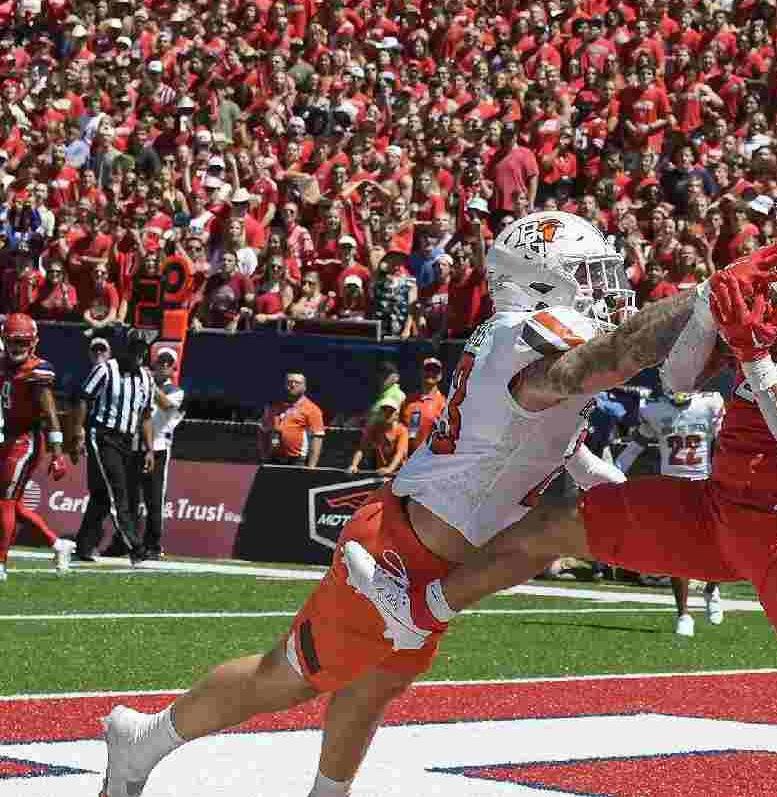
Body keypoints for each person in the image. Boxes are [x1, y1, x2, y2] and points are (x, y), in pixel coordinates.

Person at [346, 146, 777, 797]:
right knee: (553, 526)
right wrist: (711, 309)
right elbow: (679, 377)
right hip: (715, 507)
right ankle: (420, 613)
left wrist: (755, 354)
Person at [97, 210, 698, 796]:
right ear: (542, 282)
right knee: (285, 678)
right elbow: (609, 358)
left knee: (372, 685)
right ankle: (143, 738)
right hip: (397, 551)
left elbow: (553, 437)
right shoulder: (525, 339)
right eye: (587, 274)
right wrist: (709, 301)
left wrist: (607, 479)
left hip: (436, 554)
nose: (605, 289)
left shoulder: (522, 345)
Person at [615, 388, 727, 637]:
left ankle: (711, 588)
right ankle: (684, 614)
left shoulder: (709, 404)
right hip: (672, 487)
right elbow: (634, 447)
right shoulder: (654, 410)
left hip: (703, 483)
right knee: (679, 552)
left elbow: (723, 444)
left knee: (720, 547)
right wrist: (612, 472)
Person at [67, 336, 156, 566]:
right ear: (124, 351)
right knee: (118, 490)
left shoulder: (146, 378)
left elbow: (145, 415)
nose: (136, 357)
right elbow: (83, 399)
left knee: (101, 495)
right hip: (103, 435)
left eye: (140, 353)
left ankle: (84, 546)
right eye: (133, 352)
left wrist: (149, 449)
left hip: (127, 440)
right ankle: (135, 546)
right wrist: (78, 433)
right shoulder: (105, 370)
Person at [0, 315, 72, 581]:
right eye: (12, 341)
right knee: (13, 506)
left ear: (33, 342)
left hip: (25, 440)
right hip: (4, 437)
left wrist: (58, 453)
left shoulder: (37, 370)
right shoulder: (2, 364)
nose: (17, 347)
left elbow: (50, 413)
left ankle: (1, 564)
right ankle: (58, 544)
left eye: (23, 342)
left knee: (4, 502)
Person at [135, 348, 185, 561]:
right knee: (127, 497)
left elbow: (165, 405)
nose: (164, 365)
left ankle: (153, 545)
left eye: (168, 362)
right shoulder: (140, 384)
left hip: (158, 448)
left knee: (154, 499)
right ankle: (125, 541)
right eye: (160, 361)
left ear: (173, 368)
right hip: (134, 445)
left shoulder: (176, 391)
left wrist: (148, 382)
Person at [258, 372, 325, 468]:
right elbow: (263, 431)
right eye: (289, 382)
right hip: (273, 460)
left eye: (297, 382)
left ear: (304, 387)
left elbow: (317, 439)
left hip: (297, 461)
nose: (293, 385)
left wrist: (311, 467)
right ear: (285, 385)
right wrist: (264, 456)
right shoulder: (272, 407)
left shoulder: (312, 409)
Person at [346, 397, 408, 475]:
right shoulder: (374, 428)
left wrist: (390, 469)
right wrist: (354, 465)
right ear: (380, 412)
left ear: (396, 414)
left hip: (399, 474)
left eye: (391, 411)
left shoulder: (402, 430)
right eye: (384, 410)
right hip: (381, 472)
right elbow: (362, 448)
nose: (387, 414)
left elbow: (400, 453)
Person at [399, 357, 446, 452]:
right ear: (421, 373)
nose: (431, 373)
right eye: (428, 370)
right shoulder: (408, 401)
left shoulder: (444, 403)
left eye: (435, 371)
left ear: (440, 376)